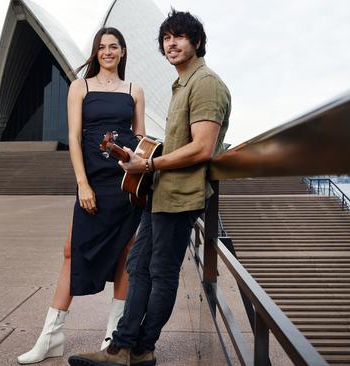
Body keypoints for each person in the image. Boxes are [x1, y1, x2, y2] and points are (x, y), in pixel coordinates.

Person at [68, 9, 231, 366]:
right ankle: (122, 347)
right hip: (162, 194)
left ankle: (143, 348)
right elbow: (176, 144)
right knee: (139, 266)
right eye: (166, 38)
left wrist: (150, 163)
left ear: (197, 42)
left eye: (180, 37)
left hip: (181, 197)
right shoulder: (182, 84)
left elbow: (203, 147)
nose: (171, 44)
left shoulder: (206, 84)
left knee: (161, 272)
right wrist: (139, 154)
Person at [17, 27, 146, 364]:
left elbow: (140, 137)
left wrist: (139, 168)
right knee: (72, 252)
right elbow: (74, 138)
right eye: (101, 47)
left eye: (113, 46)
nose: (107, 52)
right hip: (93, 182)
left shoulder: (134, 90)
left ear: (122, 51)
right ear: (95, 52)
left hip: (124, 185)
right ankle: (51, 337)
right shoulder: (80, 87)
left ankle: (112, 338)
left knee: (126, 254)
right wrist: (82, 184)